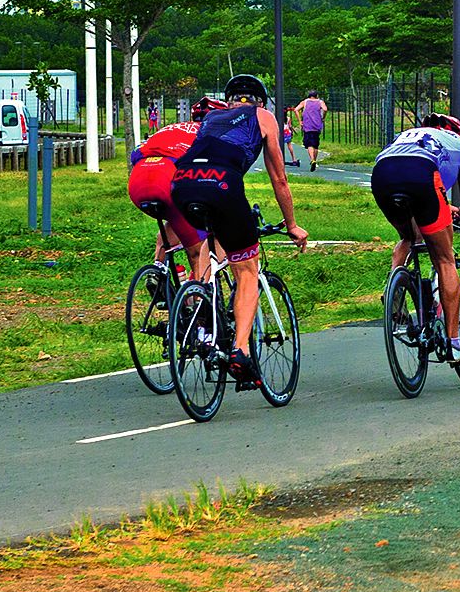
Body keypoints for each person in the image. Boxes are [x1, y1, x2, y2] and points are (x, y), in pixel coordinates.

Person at [171, 74, 309, 388]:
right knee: (247, 269)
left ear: (230, 100)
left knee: (211, 240)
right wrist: (291, 225)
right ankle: (240, 351)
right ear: (261, 102)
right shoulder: (264, 117)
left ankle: (200, 301)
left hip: (181, 183)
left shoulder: (212, 117)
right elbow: (280, 179)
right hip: (220, 182)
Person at [369, 112, 460, 362]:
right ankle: (453, 343)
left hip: (382, 173)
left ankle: (395, 283)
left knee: (408, 236)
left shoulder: (408, 136)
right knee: (445, 260)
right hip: (422, 175)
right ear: (458, 132)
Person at [127, 96, 217, 282]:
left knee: (175, 219)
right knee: (198, 251)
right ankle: (199, 302)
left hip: (137, 180)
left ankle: (158, 271)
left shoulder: (172, 127)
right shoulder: (210, 134)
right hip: (167, 180)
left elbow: (135, 153)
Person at [297, 90, 327, 171]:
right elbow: (325, 109)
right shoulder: (320, 102)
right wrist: (323, 117)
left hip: (307, 125)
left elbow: (296, 109)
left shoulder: (305, 102)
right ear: (316, 95)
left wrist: (300, 121)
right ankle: (315, 160)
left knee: (310, 144)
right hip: (317, 125)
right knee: (316, 144)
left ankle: (312, 160)